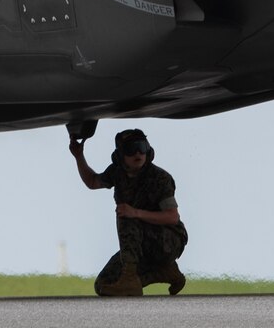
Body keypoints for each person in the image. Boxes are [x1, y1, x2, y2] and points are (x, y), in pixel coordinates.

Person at [69, 127, 188, 297]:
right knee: (103, 285)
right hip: (140, 245)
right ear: (120, 155)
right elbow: (93, 182)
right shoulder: (118, 173)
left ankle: (130, 278)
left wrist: (136, 213)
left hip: (168, 241)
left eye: (142, 147)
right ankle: (166, 273)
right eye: (131, 149)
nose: (138, 153)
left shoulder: (160, 178)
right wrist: (79, 156)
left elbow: (172, 217)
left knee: (126, 214)